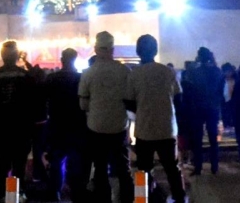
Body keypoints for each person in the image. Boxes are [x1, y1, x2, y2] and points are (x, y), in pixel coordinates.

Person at [124, 35, 187, 203]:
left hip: (144, 129)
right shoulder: (167, 71)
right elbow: (179, 99)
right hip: (167, 128)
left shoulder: (134, 74)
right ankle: (179, 197)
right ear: (156, 50)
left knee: (143, 170)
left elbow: (129, 102)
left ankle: (143, 198)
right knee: (172, 168)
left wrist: (144, 110)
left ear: (138, 52)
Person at [78, 31, 133, 203]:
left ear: (95, 49)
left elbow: (83, 104)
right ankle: (127, 196)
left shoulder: (88, 73)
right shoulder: (124, 71)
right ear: (113, 49)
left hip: (96, 126)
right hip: (119, 125)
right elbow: (130, 99)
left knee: (100, 166)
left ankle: (103, 197)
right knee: (123, 166)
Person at [0, 41, 38, 195]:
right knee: (18, 166)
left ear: (2, 56)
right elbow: (34, 103)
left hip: (1, 130)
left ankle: (4, 194)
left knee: (2, 164)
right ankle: (14, 195)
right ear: (16, 56)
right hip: (21, 130)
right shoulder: (26, 77)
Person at [46, 48, 89, 202]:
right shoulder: (81, 78)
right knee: (76, 162)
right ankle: (76, 193)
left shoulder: (52, 78)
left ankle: (55, 193)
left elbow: (45, 101)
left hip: (57, 125)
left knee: (56, 162)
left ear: (62, 59)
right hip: (77, 125)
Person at [183, 47, 224, 175]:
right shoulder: (218, 72)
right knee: (213, 139)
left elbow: (189, 88)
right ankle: (214, 166)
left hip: (198, 108)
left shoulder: (195, 72)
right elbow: (221, 92)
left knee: (197, 139)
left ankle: (198, 167)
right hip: (213, 108)